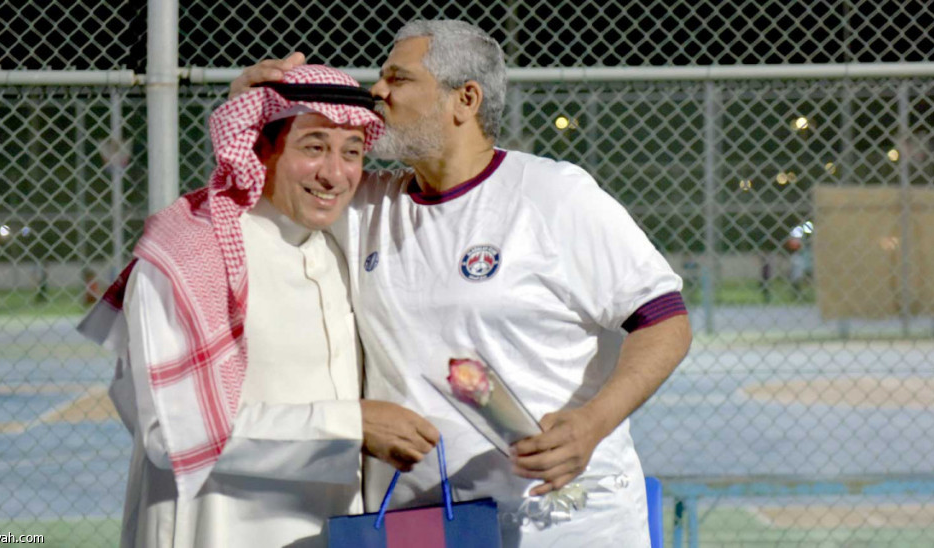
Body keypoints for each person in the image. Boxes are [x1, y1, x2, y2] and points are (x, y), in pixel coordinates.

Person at [235, 20, 692, 547]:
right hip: (423, 527)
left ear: (465, 99)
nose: (377, 91)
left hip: (564, 525)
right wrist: (247, 109)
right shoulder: (362, 204)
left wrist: (592, 424)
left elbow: (665, 322)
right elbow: (260, 184)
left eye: (398, 78)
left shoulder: (555, 196)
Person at [78, 64, 439, 548]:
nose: (335, 174)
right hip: (217, 530)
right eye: (313, 147)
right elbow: (174, 433)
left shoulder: (334, 250)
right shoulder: (192, 255)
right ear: (261, 150)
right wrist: (352, 425)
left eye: (351, 152)